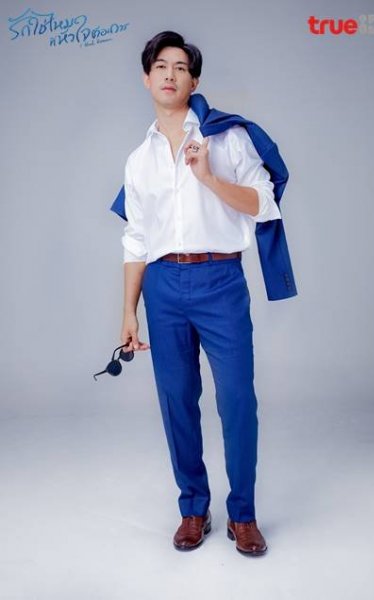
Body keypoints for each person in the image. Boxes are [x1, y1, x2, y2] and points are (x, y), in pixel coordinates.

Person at [120, 30, 282, 557]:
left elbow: (263, 203)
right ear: (146, 78)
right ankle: (193, 507)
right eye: (160, 66)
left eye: (181, 67)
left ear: (194, 81)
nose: (170, 75)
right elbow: (136, 239)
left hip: (220, 279)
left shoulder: (227, 138)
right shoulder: (138, 159)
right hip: (163, 286)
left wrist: (208, 177)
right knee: (176, 401)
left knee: (237, 400)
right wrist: (129, 312)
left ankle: (244, 515)